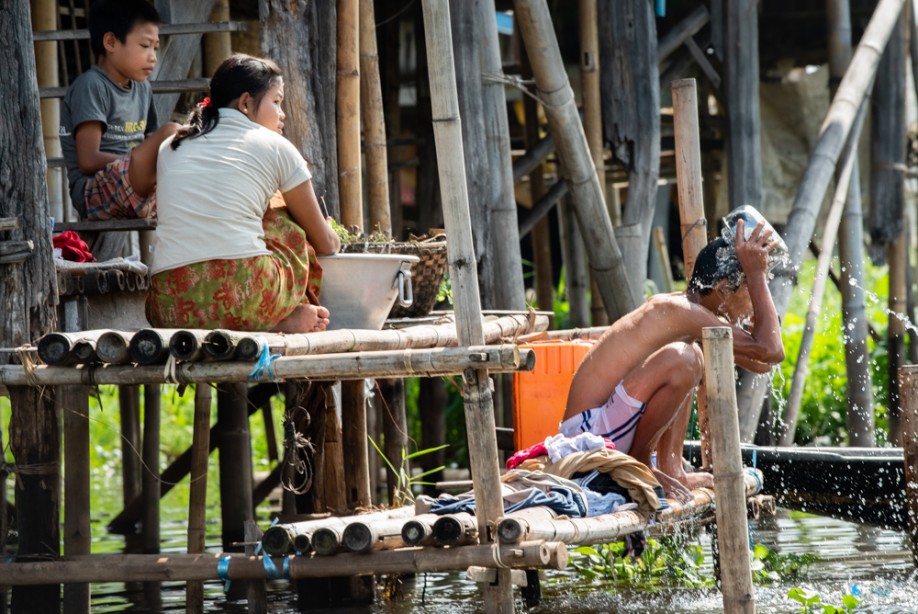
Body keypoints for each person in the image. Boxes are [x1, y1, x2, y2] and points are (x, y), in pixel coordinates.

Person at [559, 218, 786, 500]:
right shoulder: (679, 310)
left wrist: (755, 279)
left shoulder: (696, 318)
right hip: (586, 439)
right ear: (724, 289)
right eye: (747, 294)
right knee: (687, 358)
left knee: (693, 354)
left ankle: (671, 466)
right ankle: (641, 465)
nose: (751, 304)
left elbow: (764, 361)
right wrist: (756, 274)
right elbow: (770, 349)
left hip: (605, 430)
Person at [145, 54, 340, 334]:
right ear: (246, 102)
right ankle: (277, 320)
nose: (282, 113)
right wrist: (329, 232)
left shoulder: (172, 146)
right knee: (286, 221)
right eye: (276, 101)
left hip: (169, 306)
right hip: (249, 297)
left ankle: (271, 321)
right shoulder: (275, 146)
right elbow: (326, 244)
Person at [60, 0, 179, 223]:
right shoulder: (91, 86)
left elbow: (151, 140)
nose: (153, 56)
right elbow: (87, 159)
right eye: (145, 46)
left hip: (134, 180)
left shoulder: (143, 88)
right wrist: (139, 160)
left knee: (184, 144)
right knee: (171, 131)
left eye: (156, 47)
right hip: (94, 189)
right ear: (111, 42)